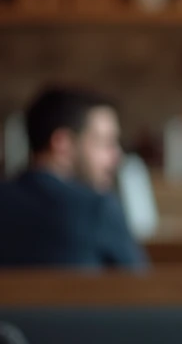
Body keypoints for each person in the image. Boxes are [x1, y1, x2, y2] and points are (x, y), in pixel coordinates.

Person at [0, 87, 146, 268]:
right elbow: (142, 283)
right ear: (62, 144)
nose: (117, 156)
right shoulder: (98, 210)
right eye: (105, 143)